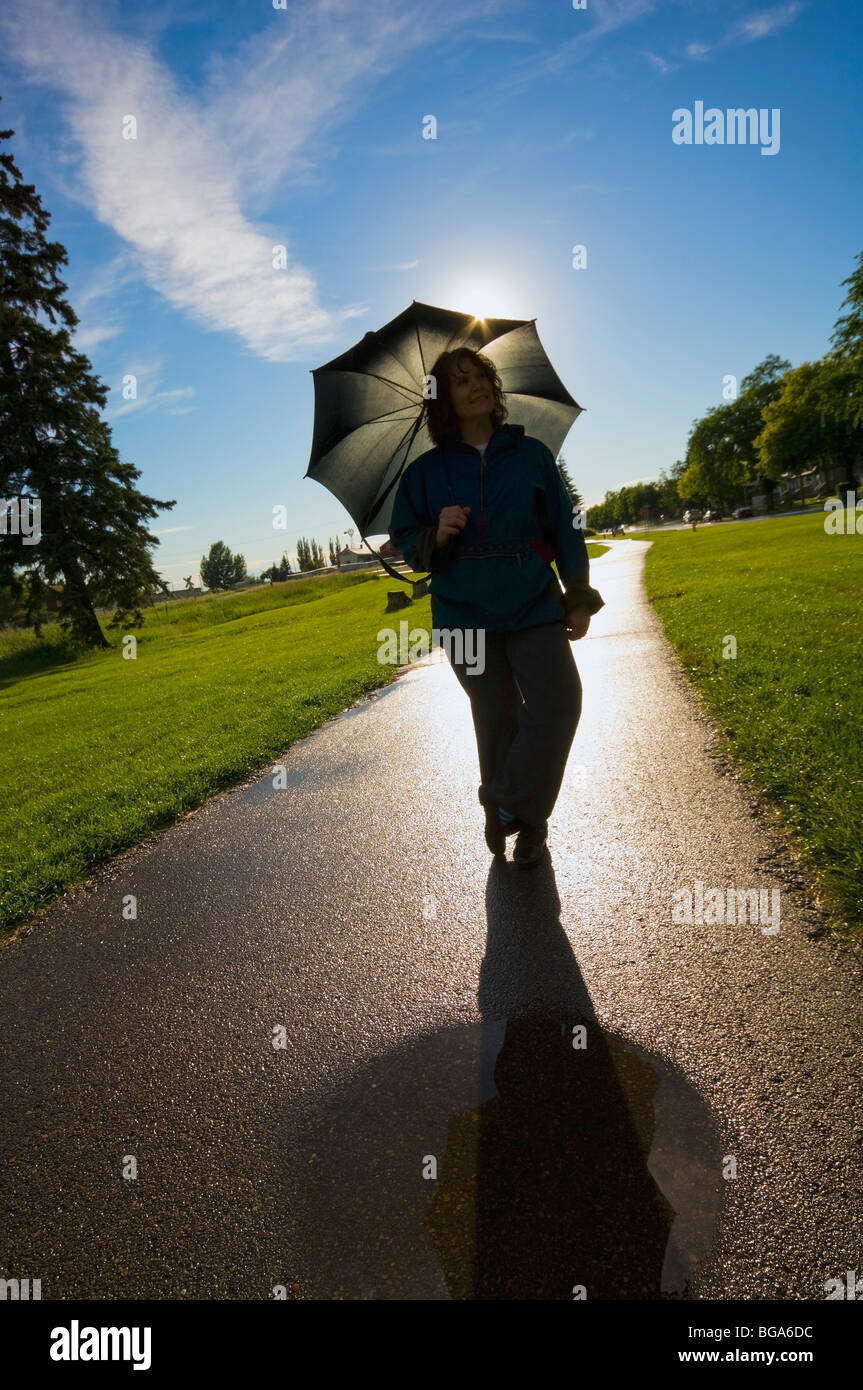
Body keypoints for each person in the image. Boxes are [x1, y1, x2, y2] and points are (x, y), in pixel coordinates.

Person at [389, 347, 604, 868]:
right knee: (497, 714)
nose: (475, 385)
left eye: (480, 375)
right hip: (463, 613)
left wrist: (577, 594)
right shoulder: (423, 473)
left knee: (560, 701)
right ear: (442, 399)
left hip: (533, 602)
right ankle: (529, 827)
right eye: (459, 381)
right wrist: (433, 534)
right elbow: (403, 538)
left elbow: (565, 527)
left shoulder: (532, 457)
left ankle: (504, 799)